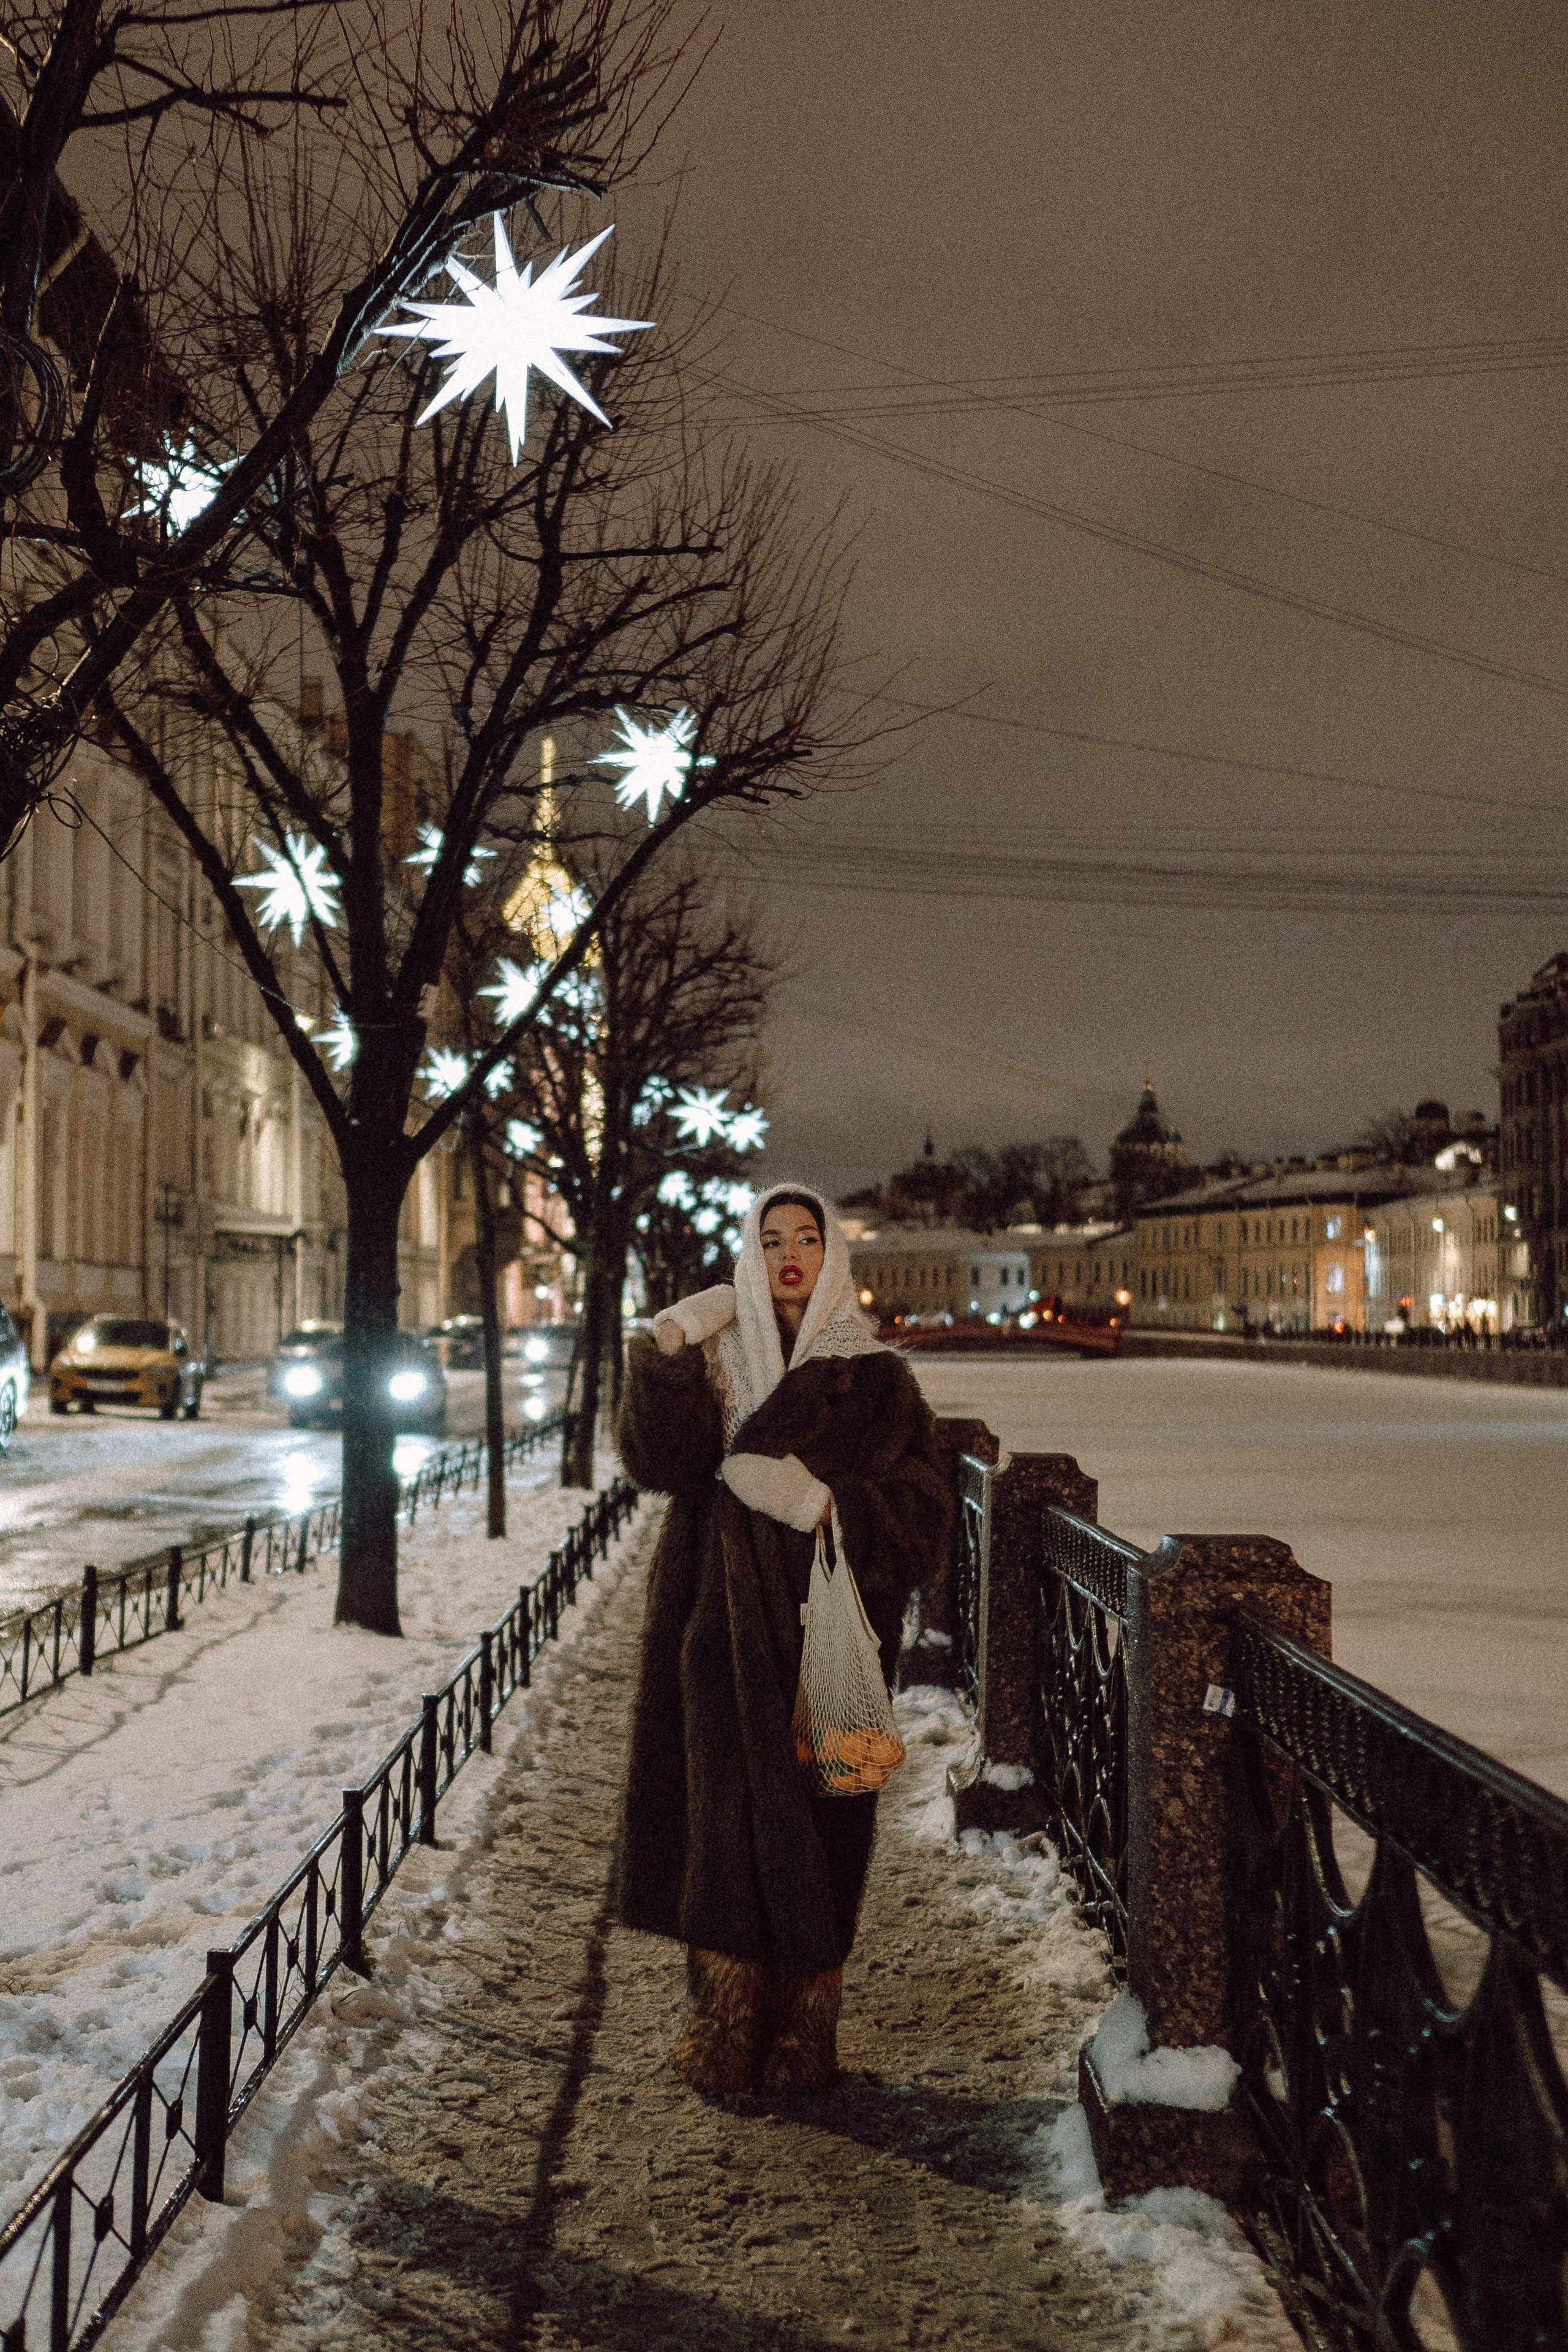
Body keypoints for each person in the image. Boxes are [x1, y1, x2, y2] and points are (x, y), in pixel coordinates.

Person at [612, 1183, 952, 2095]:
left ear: (834, 1255)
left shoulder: (877, 1379)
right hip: (714, 1637)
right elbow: (654, 1463)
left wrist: (824, 1505)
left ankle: (807, 2028)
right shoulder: (718, 1361)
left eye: (807, 1238)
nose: (789, 1254)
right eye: (771, 1240)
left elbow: (926, 1521)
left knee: (820, 1829)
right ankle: (721, 2019)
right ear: (749, 1256)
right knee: (718, 1829)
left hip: (821, 1639)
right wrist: (671, 1346)